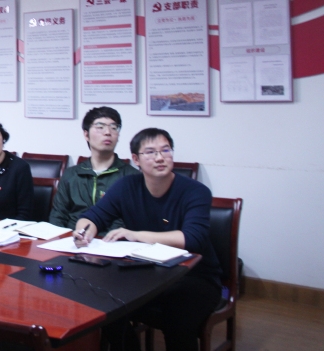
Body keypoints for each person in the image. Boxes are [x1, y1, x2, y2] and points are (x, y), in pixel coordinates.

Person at [73, 128, 221, 351]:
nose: (160, 158)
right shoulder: (126, 186)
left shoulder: (195, 191)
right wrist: (83, 231)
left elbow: (193, 239)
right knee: (105, 303)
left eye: (165, 150)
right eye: (150, 152)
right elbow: (93, 217)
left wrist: (136, 236)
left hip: (195, 276)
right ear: (136, 160)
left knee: (178, 319)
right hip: (146, 273)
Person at [49, 106, 135, 231]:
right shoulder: (71, 175)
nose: (108, 132)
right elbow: (58, 216)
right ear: (86, 134)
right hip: (72, 238)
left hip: (112, 240)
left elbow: (129, 220)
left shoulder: (131, 177)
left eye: (113, 127)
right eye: (100, 127)